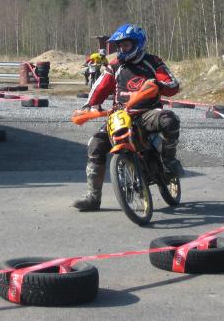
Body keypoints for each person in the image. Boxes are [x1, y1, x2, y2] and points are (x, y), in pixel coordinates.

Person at [72, 23, 184, 211]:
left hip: (147, 112)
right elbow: (99, 87)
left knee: (169, 120)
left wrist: (158, 83)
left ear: (137, 43)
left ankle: (169, 161)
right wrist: (89, 105)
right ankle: (93, 197)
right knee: (95, 144)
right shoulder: (114, 66)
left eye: (126, 45)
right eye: (120, 46)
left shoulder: (153, 61)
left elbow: (173, 85)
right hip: (120, 114)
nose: (122, 49)